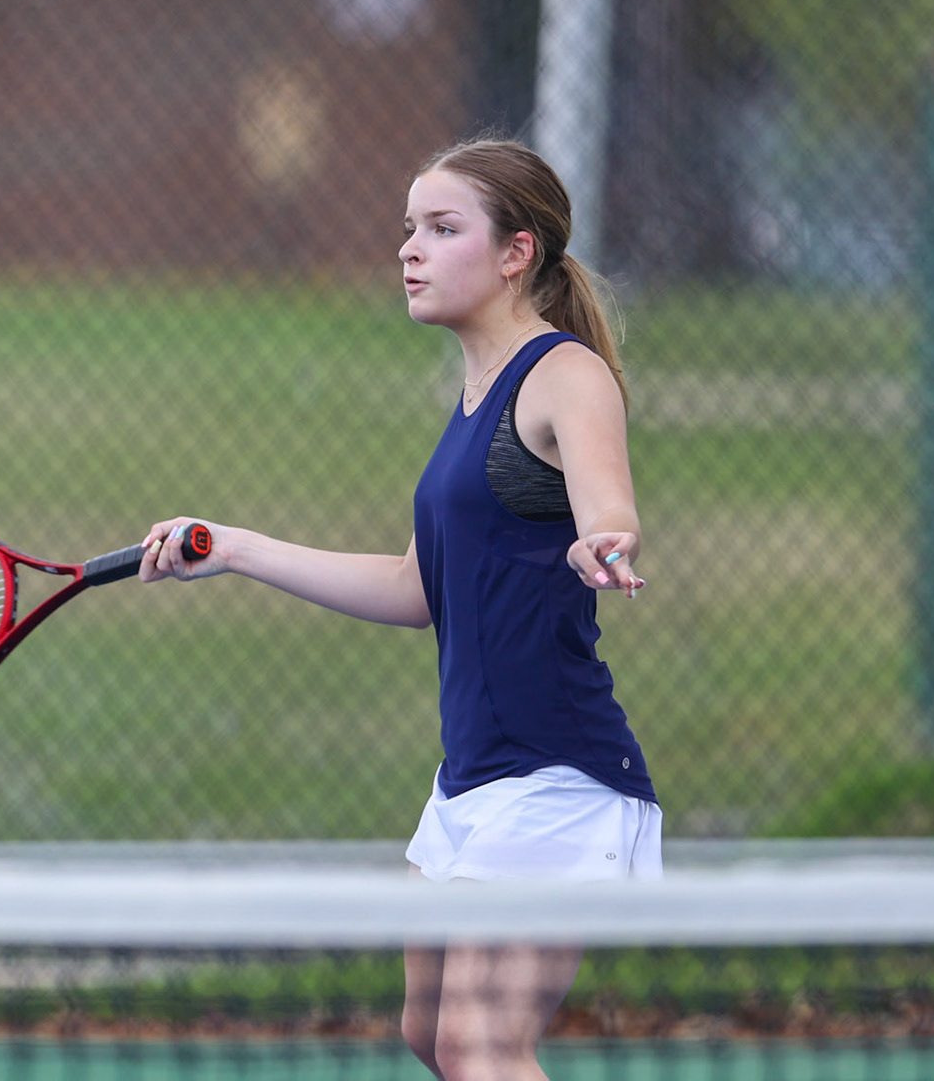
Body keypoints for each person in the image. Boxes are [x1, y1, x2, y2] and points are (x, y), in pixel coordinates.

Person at [139, 137, 660, 1081]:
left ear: (517, 252)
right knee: (430, 1038)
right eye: (408, 229)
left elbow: (607, 500)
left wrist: (604, 539)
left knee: (481, 1047)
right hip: (470, 783)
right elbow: (416, 589)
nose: (410, 249)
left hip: (559, 777)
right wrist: (235, 548)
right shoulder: (469, 403)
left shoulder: (563, 374)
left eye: (443, 228)